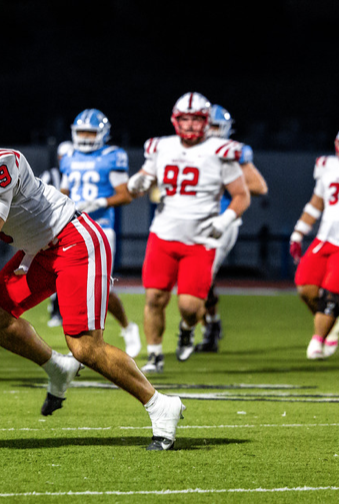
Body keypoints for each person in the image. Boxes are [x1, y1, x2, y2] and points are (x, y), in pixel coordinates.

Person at [0, 117, 186, 451]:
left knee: (85, 347)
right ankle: (56, 367)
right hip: (38, 250)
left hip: (74, 241)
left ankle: (160, 405)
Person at [126, 92, 251, 373]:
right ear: (175, 120)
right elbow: (145, 178)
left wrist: (225, 220)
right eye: (185, 119)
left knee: (191, 308)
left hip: (201, 239)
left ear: (206, 122)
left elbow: (242, 196)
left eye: (197, 120)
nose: (191, 126)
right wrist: (138, 183)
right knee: (154, 298)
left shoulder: (221, 152)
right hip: (163, 234)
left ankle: (186, 328)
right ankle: (155, 355)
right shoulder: (161, 148)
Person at [57, 109, 141, 358]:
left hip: (101, 228)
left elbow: (125, 194)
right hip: (73, 226)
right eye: (81, 131)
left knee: (100, 289)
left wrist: (101, 202)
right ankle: (82, 343)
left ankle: (126, 328)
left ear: (102, 134)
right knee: (75, 287)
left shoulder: (112, 156)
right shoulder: (68, 156)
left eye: (89, 132)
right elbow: (63, 192)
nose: (84, 136)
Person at [194, 105, 269, 352]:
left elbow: (259, 187)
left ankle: (200, 331)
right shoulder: (189, 149)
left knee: (200, 279)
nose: (213, 132)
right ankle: (213, 323)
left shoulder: (233, 153)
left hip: (223, 220)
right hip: (195, 219)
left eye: (217, 127)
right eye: (209, 126)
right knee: (203, 279)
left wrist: (226, 182)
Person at [289, 126, 339, 360]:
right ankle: (333, 324)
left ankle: (318, 339)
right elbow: (316, 203)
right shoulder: (326, 165)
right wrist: (298, 233)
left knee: (331, 296)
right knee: (305, 288)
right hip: (325, 239)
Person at [46, 141, 73, 329]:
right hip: (52, 227)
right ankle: (56, 309)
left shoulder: (78, 174)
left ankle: (64, 311)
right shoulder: (51, 176)